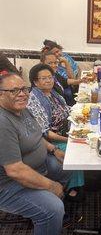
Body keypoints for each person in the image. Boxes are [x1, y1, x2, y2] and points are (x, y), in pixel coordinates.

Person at [0, 72, 73, 235]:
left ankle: (50, 219)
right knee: (53, 207)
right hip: (9, 185)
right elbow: (15, 170)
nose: (22, 94)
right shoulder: (2, 123)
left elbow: (37, 137)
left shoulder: (22, 110)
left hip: (37, 167)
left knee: (68, 165)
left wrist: (53, 149)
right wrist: (51, 186)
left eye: (24, 89)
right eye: (14, 90)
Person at [27, 63, 84, 198]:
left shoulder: (52, 93)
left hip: (67, 130)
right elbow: (44, 132)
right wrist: (69, 139)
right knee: (76, 150)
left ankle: (73, 185)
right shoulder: (34, 99)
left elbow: (65, 109)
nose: (49, 80)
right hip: (51, 140)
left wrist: (80, 112)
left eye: (50, 77)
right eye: (44, 78)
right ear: (35, 82)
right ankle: (71, 189)